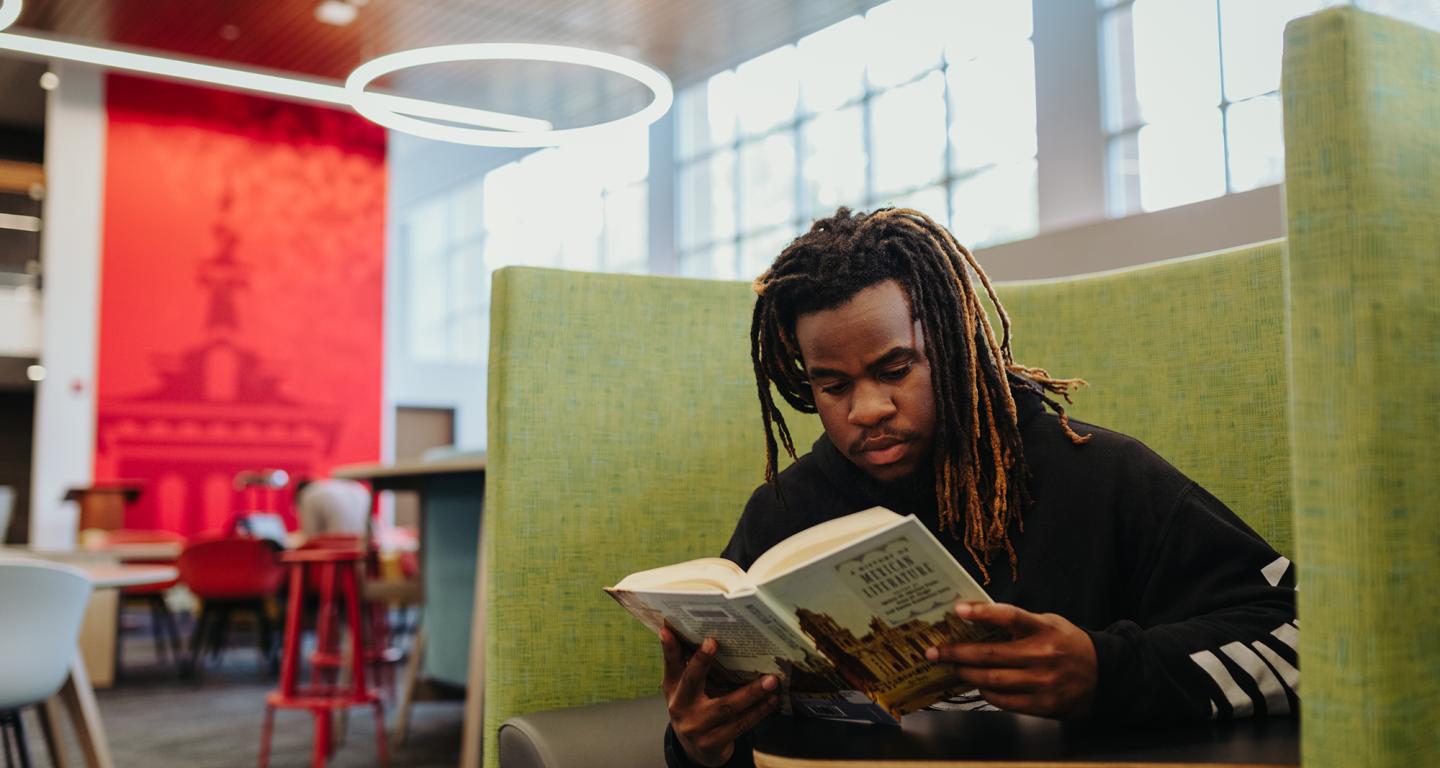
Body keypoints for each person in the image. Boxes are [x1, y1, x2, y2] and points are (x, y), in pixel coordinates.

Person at [661, 208, 1298, 768]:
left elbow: (1302, 638)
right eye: (834, 386)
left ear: (954, 345)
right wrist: (698, 747)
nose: (868, 409)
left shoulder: (1099, 474)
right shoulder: (783, 513)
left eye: (896, 368)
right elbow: (733, 721)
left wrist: (1104, 673)